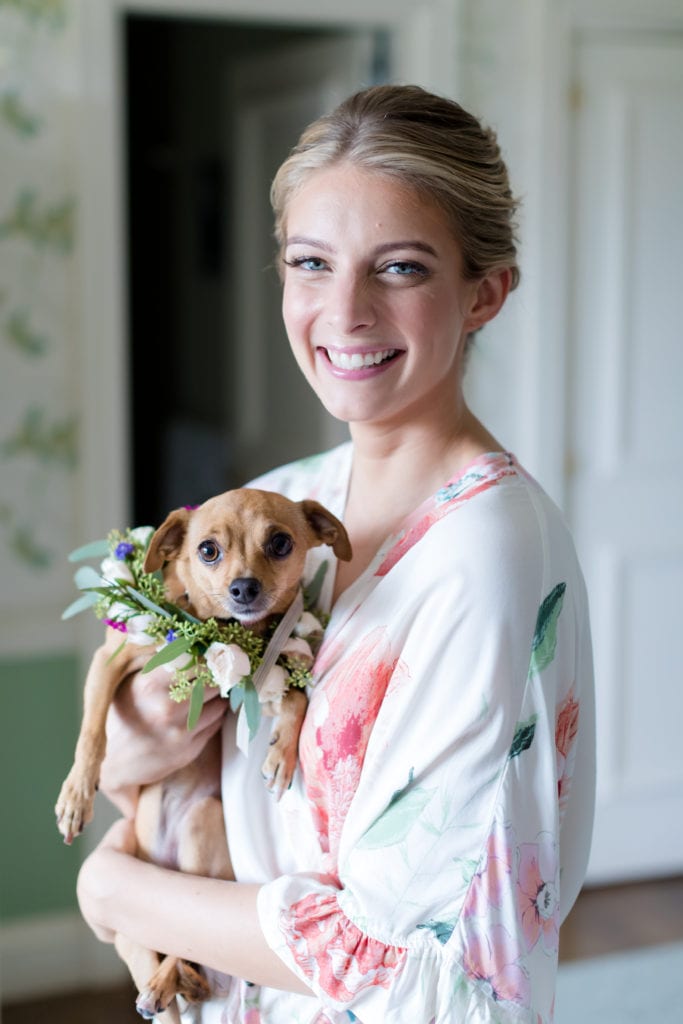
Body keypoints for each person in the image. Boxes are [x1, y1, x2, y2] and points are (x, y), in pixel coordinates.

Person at [77, 84, 595, 1024]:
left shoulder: (481, 557)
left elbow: (413, 970)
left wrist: (112, 897)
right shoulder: (291, 498)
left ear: (484, 292)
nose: (344, 311)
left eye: (397, 268)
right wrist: (133, 741)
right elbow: (148, 776)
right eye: (311, 263)